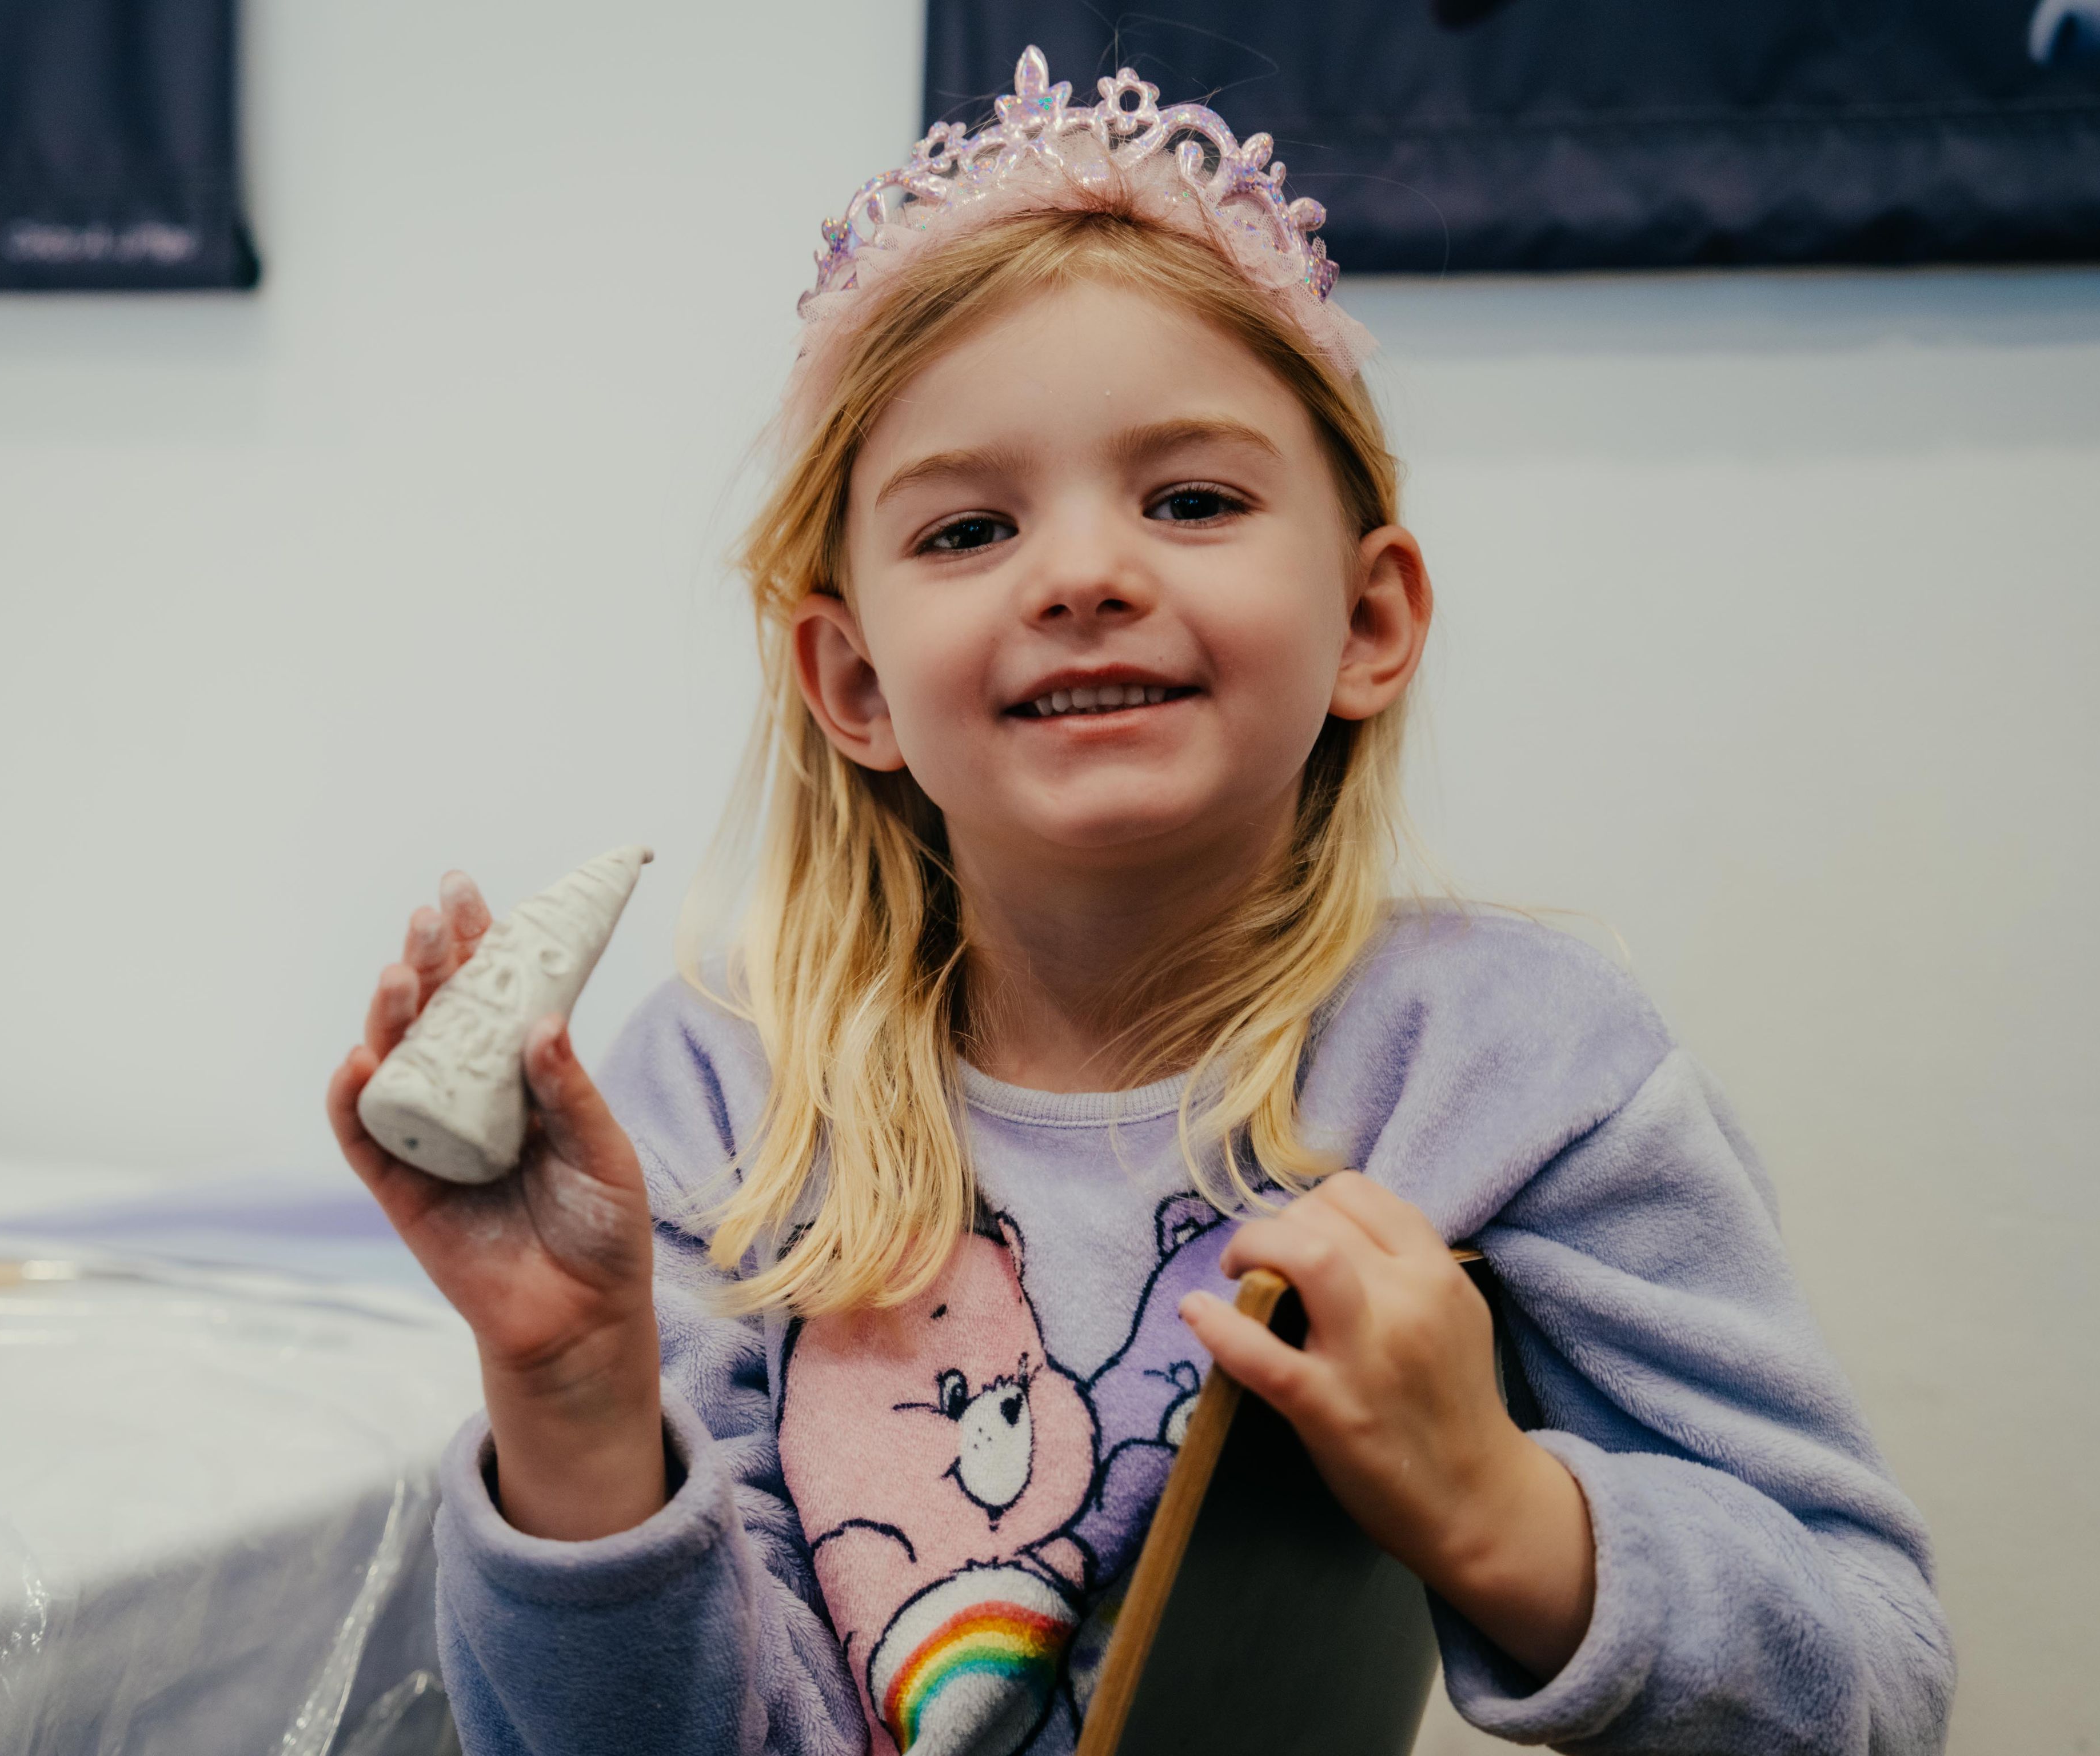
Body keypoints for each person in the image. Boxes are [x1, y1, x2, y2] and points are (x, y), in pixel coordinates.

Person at [327, 47, 1954, 1756]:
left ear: (1371, 621)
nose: (1086, 575)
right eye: (967, 531)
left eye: (1192, 501)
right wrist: (574, 1398)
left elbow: (1875, 1676)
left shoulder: (1509, 1071)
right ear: (853, 682)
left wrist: (1502, 1512)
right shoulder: (715, 1106)